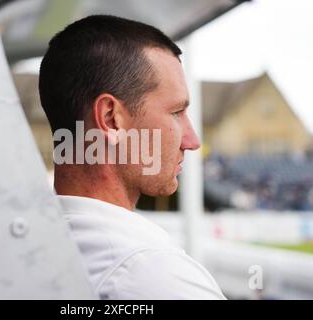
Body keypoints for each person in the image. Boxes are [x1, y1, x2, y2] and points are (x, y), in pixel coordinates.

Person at [39, 15, 226, 299]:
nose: (192, 141)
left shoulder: (23, 250)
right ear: (111, 118)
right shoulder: (151, 273)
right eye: (176, 113)